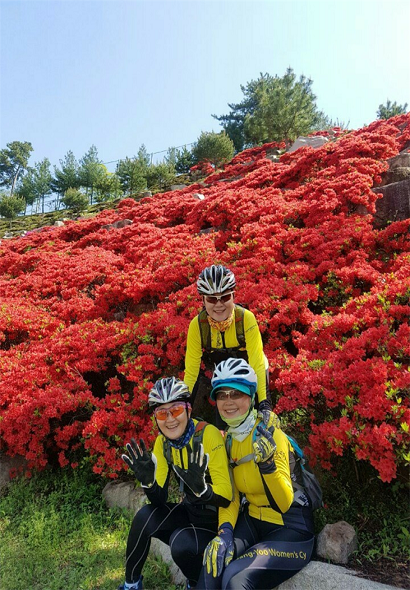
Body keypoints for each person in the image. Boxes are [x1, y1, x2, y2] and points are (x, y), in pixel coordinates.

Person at [197, 358, 315, 590]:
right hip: (253, 520)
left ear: (251, 398)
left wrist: (268, 467)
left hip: (291, 529)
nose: (228, 402)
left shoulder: (272, 435)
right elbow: (230, 495)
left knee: (235, 578)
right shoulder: (229, 440)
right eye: (222, 395)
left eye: (237, 394)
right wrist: (225, 533)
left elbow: (283, 503)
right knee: (213, 563)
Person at [118, 376, 233, 590]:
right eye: (162, 413)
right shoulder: (163, 442)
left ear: (189, 410)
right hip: (190, 513)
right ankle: (130, 585)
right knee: (145, 516)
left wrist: (203, 489)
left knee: (181, 542)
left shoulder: (207, 435)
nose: (170, 419)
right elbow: (159, 500)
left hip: (216, 523)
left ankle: (194, 583)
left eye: (177, 410)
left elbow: (227, 496)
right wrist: (149, 483)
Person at [184, 264, 271, 427]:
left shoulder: (246, 319)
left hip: (253, 370)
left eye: (224, 297)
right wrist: (184, 406)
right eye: (211, 299)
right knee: (224, 424)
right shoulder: (197, 326)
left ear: (233, 296)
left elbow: (257, 363)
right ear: (203, 300)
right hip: (224, 378)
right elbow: (191, 372)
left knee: (261, 422)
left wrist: (264, 403)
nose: (218, 304)